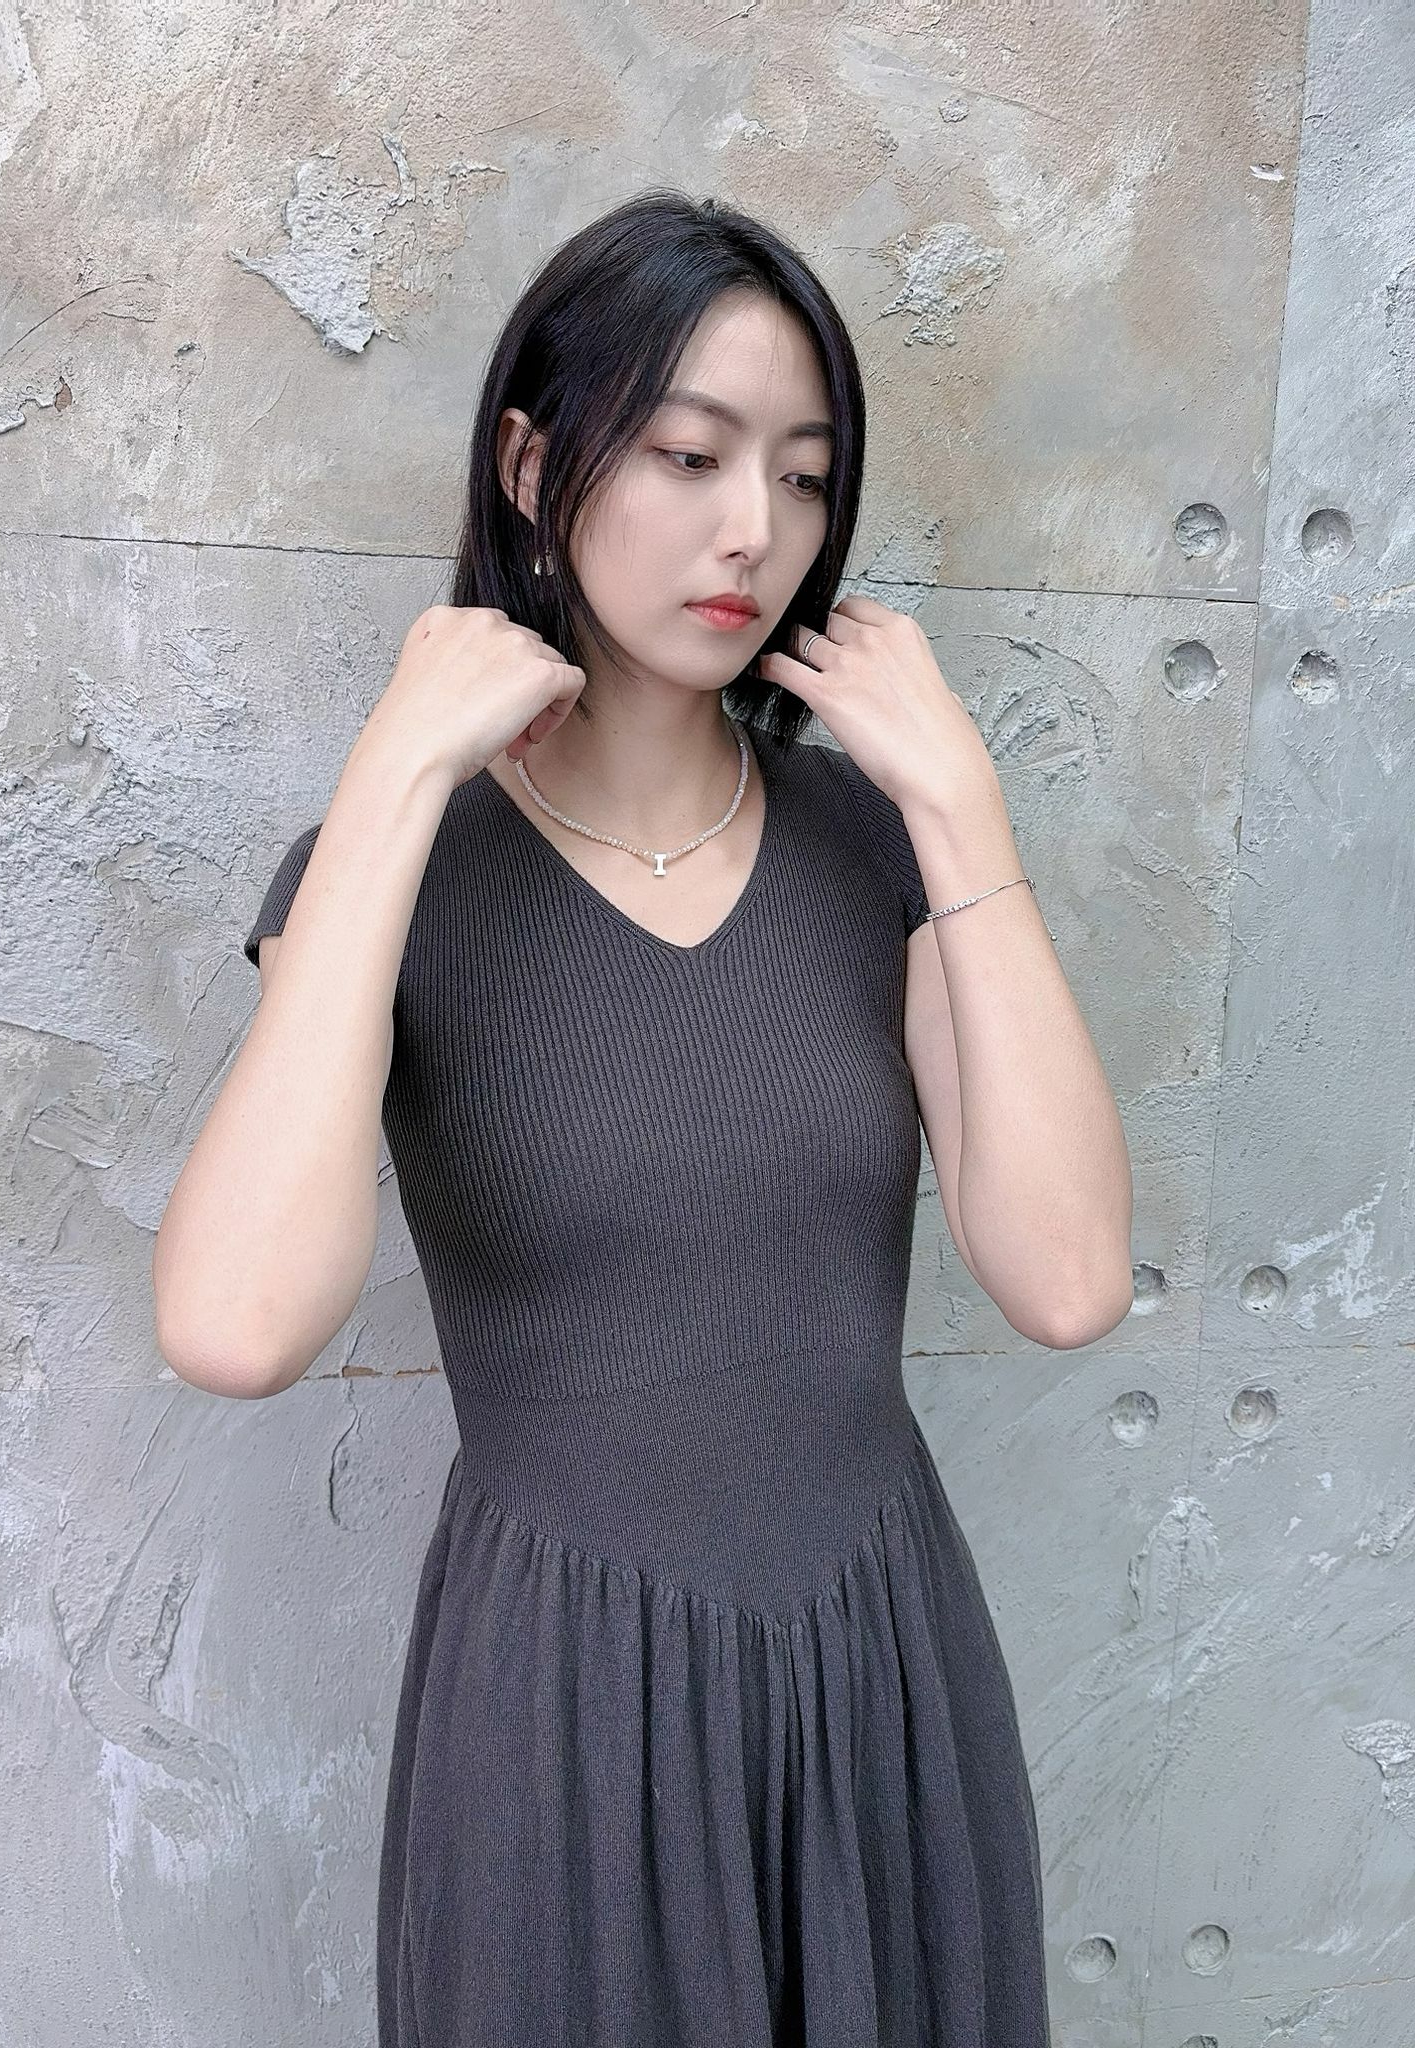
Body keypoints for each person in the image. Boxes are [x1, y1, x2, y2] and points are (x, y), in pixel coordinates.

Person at [153, 187, 1134, 2046]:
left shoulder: (877, 849)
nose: (754, 527)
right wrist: (394, 778)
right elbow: (233, 1325)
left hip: (880, 1681)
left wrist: (961, 811)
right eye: (689, 455)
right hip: (563, 1717)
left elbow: (1069, 1280)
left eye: (805, 475)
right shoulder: (389, 878)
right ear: (535, 466)